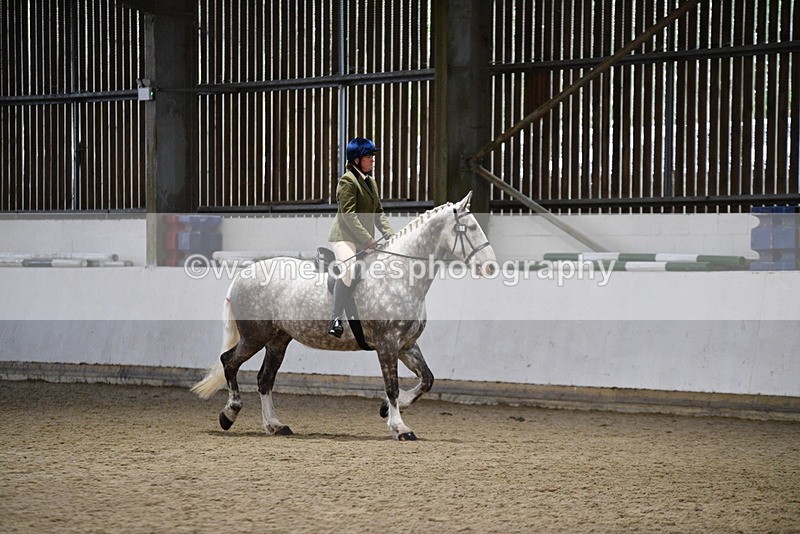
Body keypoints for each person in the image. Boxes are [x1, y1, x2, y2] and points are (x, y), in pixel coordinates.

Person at [327, 137, 395, 337]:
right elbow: (349, 216)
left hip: (363, 239)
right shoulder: (347, 181)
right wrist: (367, 239)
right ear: (356, 160)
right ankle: (335, 319)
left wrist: (389, 233)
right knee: (348, 268)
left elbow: (378, 213)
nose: (373, 160)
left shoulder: (371, 181)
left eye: (373, 156)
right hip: (344, 237)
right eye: (368, 156)